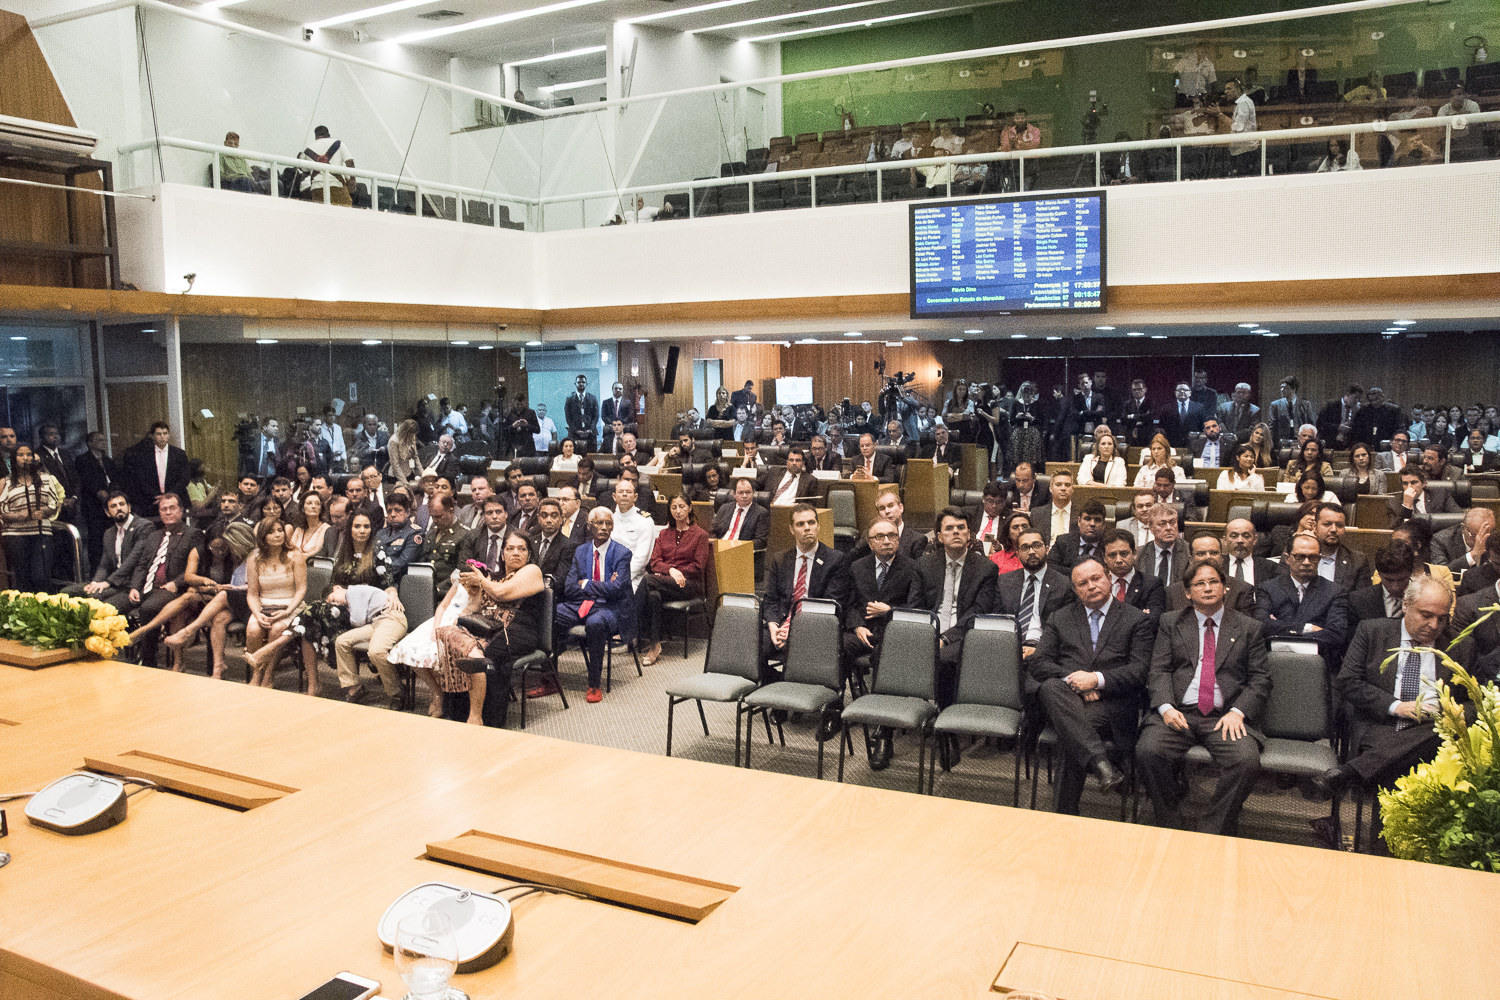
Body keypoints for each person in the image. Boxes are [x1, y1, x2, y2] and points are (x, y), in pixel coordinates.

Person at [1136, 559, 1270, 835]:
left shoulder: (1248, 627)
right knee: (1148, 751)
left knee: (1246, 761)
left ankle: (1213, 828)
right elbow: (1159, 669)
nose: (1207, 588)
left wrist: (1238, 712)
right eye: (1199, 583)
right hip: (1179, 712)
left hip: (1224, 716)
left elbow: (1260, 679)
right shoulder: (1171, 622)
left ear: (1225, 587)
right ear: (1187, 592)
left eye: (1214, 582)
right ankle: (1169, 821)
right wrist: (1165, 707)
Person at [1320, 575, 1473, 809]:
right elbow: (1348, 681)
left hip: (1436, 729)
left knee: (1433, 737)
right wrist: (1396, 706)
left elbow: (1476, 701)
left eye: (1442, 619)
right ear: (1405, 605)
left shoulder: (1460, 646)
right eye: (1426, 615)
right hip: (1382, 724)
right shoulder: (1372, 631)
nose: (1434, 626)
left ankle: (1351, 772)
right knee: (1398, 770)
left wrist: (1456, 713)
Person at [1030, 557, 1155, 813]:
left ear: (1108, 579)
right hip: (1067, 701)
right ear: (1075, 590)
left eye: (1096, 578)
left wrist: (1096, 680)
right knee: (1051, 687)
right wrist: (1078, 682)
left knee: (1071, 735)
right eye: (1082, 583)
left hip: (1113, 706)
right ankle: (1101, 765)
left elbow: (1140, 671)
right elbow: (1039, 663)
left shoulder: (1135, 619)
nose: (1091, 586)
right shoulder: (1060, 617)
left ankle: (1065, 815)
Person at [430, 534, 546, 726]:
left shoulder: (532, 571)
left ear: (529, 554)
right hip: (489, 627)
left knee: (485, 655)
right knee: (454, 641)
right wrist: (474, 592)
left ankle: (481, 718)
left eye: (522, 549)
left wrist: (481, 581)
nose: (516, 553)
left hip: (519, 630)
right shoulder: (496, 577)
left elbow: (502, 593)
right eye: (510, 548)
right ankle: (458, 713)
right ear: (502, 553)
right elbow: (476, 609)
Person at [556, 506, 635, 703]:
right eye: (599, 523)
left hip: (610, 608)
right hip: (583, 604)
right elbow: (569, 588)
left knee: (595, 624)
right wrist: (603, 585)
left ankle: (594, 683)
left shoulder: (622, 553)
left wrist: (587, 583)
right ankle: (550, 676)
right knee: (551, 613)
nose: (604, 527)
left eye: (608, 523)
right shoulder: (580, 551)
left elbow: (616, 590)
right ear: (590, 526)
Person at [637, 494, 711, 667]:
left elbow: (698, 566)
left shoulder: (700, 535)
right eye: (674, 507)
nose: (678, 511)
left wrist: (678, 573)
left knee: (647, 581)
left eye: (682, 506)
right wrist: (671, 570)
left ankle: (629, 627)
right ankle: (655, 646)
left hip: (689, 585)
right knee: (653, 595)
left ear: (690, 508)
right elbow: (654, 562)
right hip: (664, 583)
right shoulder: (664, 533)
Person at [1254, 531, 1351, 648]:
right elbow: (1260, 625)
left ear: (1320, 559)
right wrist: (1306, 628)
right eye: (1300, 556)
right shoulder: (1268, 588)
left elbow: (1336, 635)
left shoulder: (1335, 592)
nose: (1306, 562)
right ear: (1287, 558)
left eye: (1313, 557)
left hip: (1319, 658)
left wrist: (1279, 626)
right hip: (1274, 657)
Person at [241, 517, 307, 690]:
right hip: (264, 606)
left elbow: (301, 589)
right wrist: (257, 614)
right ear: (263, 537)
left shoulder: (295, 555)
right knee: (253, 630)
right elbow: (252, 594)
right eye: (271, 532)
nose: (277, 535)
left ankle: (268, 676)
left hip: (291, 606)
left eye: (280, 530)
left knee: (277, 629)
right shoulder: (254, 558)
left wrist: (287, 611)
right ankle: (256, 673)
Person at [995, 527, 1073, 660]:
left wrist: (1039, 649)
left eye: (1036, 545)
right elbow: (996, 621)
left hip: (1045, 652)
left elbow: (1066, 630)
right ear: (1018, 553)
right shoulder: (1004, 582)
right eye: (1025, 548)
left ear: (1047, 549)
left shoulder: (1064, 584)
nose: (1031, 551)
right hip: (1007, 649)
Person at [64, 491, 146, 611]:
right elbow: (104, 565)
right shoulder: (109, 533)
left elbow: (132, 560)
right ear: (107, 513)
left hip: (132, 584)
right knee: (67, 592)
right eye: (113, 506)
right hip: (114, 583)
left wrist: (107, 582)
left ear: (129, 507)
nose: (119, 508)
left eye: (121, 504)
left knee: (95, 603)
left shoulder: (143, 527)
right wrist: (95, 582)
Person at [1, 444, 63, 591]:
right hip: (16, 535)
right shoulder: (7, 482)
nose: (25, 458)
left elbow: (54, 504)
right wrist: (23, 516)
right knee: (23, 577)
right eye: (20, 455)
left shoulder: (46, 479)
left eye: (28, 454)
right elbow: (2, 511)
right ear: (14, 459)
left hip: (41, 533)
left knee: (41, 576)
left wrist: (45, 511)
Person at [121, 421, 190, 515]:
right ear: (153, 436)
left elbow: (185, 478)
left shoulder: (179, 454)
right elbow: (140, 479)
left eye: (165, 433)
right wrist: (156, 496)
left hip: (176, 499)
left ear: (168, 435)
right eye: (158, 434)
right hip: (152, 502)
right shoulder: (144, 455)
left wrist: (169, 495)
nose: (162, 436)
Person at [74, 430, 120, 571]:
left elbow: (115, 478)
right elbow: (85, 480)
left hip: (110, 504)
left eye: (103, 439)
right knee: (96, 540)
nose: (103, 442)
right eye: (99, 440)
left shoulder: (108, 460)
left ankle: (112, 567)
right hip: (93, 506)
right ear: (90, 443)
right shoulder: (82, 460)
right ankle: (96, 570)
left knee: (111, 537)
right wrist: (98, 491)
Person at [1348, 542, 1417, 625]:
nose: (1395, 587)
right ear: (1379, 574)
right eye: (1389, 580)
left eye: (1401, 580)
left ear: (1412, 572)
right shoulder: (1358, 601)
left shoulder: (1424, 599)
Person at [1102, 528, 1166, 616]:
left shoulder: (1152, 585)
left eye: (1124, 554)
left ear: (1135, 553)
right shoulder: (1097, 585)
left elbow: (1151, 621)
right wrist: (1138, 614)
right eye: (1112, 555)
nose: (1118, 560)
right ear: (1104, 558)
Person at [295, 125, 355, 206]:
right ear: (328, 134)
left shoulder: (307, 150)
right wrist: (352, 181)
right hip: (336, 185)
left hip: (317, 189)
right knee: (345, 212)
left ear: (316, 136)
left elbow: (305, 170)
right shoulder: (339, 144)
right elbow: (349, 162)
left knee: (321, 215)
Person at [1046, 499, 1109, 570]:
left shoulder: (1109, 546)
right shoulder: (1063, 542)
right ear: (1079, 522)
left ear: (1104, 524)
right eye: (1087, 519)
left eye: (1097, 520)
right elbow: (1050, 567)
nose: (1092, 524)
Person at [1137, 503, 1189, 585]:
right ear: (1151, 528)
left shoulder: (1189, 552)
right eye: (1162, 524)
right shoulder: (1139, 554)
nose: (1168, 528)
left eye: (1172, 522)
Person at [1388, 467, 1462, 523]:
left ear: (1424, 483)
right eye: (1405, 483)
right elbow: (1394, 529)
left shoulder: (1441, 495)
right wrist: (1406, 506)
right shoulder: (1393, 503)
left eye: (1414, 482)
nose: (1409, 487)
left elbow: (1459, 517)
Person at [1222, 517, 1276, 591]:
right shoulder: (1217, 566)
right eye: (1234, 536)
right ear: (1225, 540)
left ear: (1255, 539)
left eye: (1246, 536)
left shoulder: (1271, 568)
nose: (1240, 540)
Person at [712, 477, 768, 545]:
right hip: (721, 547)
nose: (744, 496)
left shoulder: (761, 513)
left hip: (741, 550)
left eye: (748, 492)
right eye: (741, 493)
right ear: (734, 494)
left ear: (753, 493)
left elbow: (761, 541)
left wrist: (738, 546)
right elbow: (712, 531)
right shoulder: (724, 508)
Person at [1030, 469, 1075, 546]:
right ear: (1051, 489)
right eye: (1058, 484)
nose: (1063, 488)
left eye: (1067, 485)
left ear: (1072, 489)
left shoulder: (1081, 514)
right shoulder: (1037, 514)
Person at [1267, 376, 1316, 448]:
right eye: (1281, 387)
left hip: (1301, 443)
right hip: (1281, 443)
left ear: (1294, 389)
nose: (1282, 390)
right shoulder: (1275, 405)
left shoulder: (1305, 405)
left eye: (1285, 388)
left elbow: (1311, 424)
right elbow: (1272, 427)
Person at [1158, 382, 1204, 449]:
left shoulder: (1199, 408)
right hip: (1172, 445)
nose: (1182, 392)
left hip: (1193, 444)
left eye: (1185, 390)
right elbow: (1162, 427)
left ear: (1190, 393)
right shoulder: (1167, 408)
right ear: (1175, 393)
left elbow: (1202, 427)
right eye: (1179, 390)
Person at [285, 492, 330, 557]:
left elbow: (315, 551)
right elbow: (290, 549)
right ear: (303, 508)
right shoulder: (299, 529)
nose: (313, 506)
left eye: (317, 504)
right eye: (309, 503)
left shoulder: (325, 528)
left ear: (320, 508)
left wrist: (297, 558)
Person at [989, 511, 1032, 576]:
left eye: (1025, 526)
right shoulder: (996, 558)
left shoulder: (1038, 556)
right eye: (1015, 527)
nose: (1021, 530)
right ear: (1008, 533)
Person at [564, 374, 600, 453]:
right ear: (575, 384)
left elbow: (596, 416)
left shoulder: (593, 398)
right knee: (574, 456)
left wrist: (590, 429)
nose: (581, 384)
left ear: (586, 384)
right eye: (579, 382)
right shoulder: (569, 399)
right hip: (574, 434)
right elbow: (568, 417)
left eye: (583, 382)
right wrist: (576, 430)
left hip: (590, 434)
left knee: (591, 457)